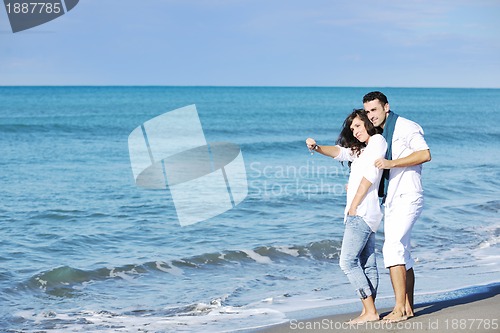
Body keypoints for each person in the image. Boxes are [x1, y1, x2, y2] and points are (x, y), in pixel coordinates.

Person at [306, 109, 387, 324]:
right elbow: (341, 153)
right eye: (352, 129)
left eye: (358, 126)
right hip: (367, 213)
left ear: (368, 123)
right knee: (367, 263)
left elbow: (371, 175)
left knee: (347, 262)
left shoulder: (377, 140)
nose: (355, 131)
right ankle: (369, 310)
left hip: (360, 212)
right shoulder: (362, 150)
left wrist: (353, 205)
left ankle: (370, 311)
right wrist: (317, 148)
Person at [363, 91, 431, 322]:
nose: (371, 115)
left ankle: (399, 309)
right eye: (368, 111)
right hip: (392, 198)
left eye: (374, 109)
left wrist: (392, 163)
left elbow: (425, 154)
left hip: (408, 194)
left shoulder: (406, 126)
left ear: (386, 107)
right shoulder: (381, 133)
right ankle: (408, 307)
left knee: (392, 249)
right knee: (402, 251)